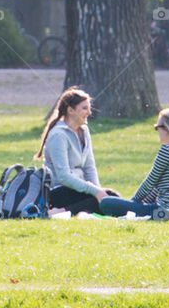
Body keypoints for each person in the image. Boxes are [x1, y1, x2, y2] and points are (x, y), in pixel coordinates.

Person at [96, 108, 169, 221]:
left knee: (106, 203)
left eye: (157, 127)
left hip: (166, 212)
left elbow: (150, 182)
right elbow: (157, 186)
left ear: (167, 129)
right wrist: (139, 204)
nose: (157, 131)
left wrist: (133, 203)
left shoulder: (167, 150)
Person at [36, 87, 120, 216]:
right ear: (70, 110)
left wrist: (98, 192)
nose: (89, 112)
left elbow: (89, 167)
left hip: (79, 189)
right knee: (104, 201)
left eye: (89, 108)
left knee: (110, 198)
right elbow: (63, 177)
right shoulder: (59, 135)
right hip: (59, 191)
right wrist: (94, 192)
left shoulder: (84, 131)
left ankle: (69, 211)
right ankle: (61, 211)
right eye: (84, 108)